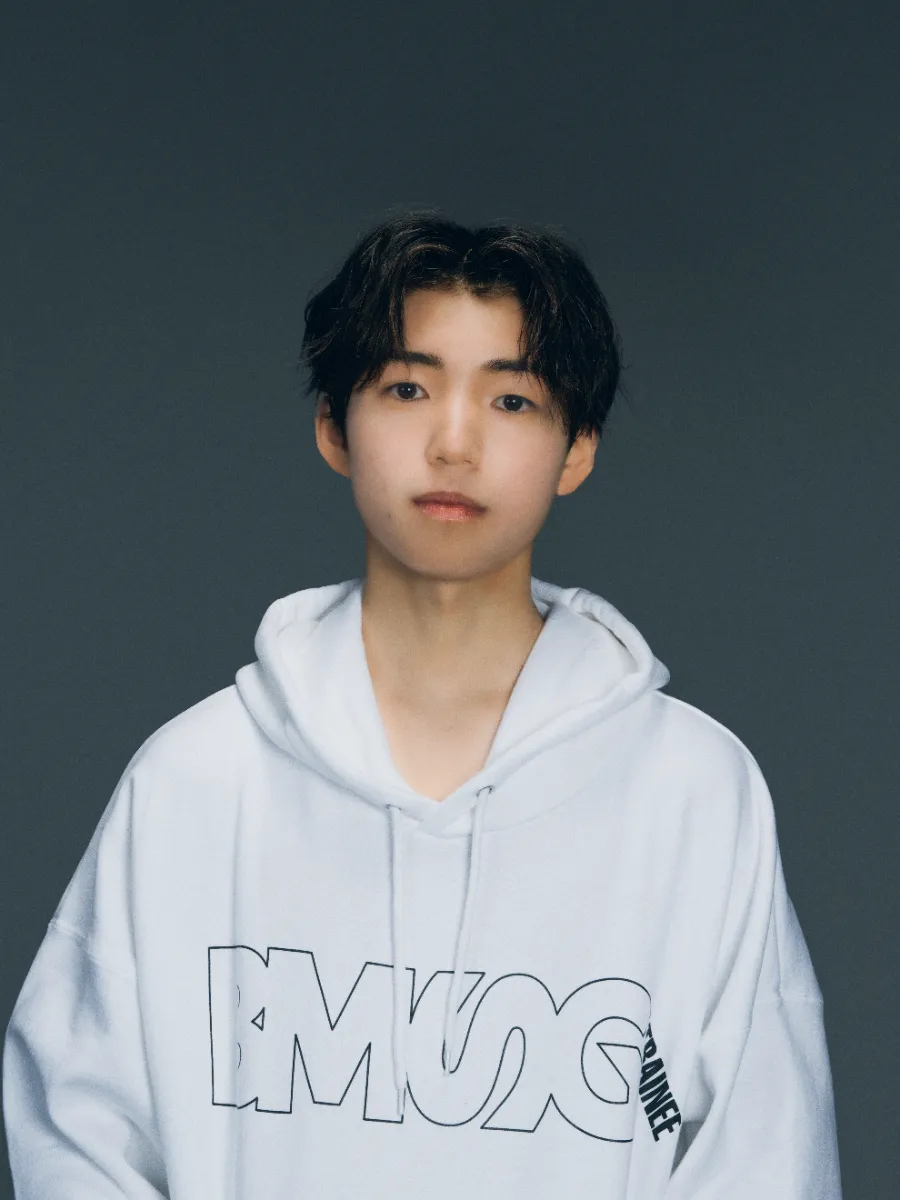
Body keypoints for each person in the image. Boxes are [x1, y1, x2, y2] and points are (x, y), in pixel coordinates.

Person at [2, 210, 842, 1198]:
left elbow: (762, 1156)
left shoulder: (691, 791)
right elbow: (79, 1133)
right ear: (334, 426)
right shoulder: (198, 779)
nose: (454, 443)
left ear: (577, 449)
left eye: (513, 399)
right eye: (408, 388)